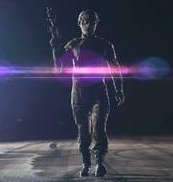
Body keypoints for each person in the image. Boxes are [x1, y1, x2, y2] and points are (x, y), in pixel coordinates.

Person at [50, 10, 125, 177]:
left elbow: (115, 68)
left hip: (99, 91)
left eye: (91, 21)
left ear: (97, 23)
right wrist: (55, 49)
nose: (88, 24)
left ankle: (99, 162)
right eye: (85, 21)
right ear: (79, 23)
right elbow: (59, 70)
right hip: (78, 93)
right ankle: (86, 163)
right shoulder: (73, 45)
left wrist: (118, 88)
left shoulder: (104, 45)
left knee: (99, 127)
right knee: (83, 130)